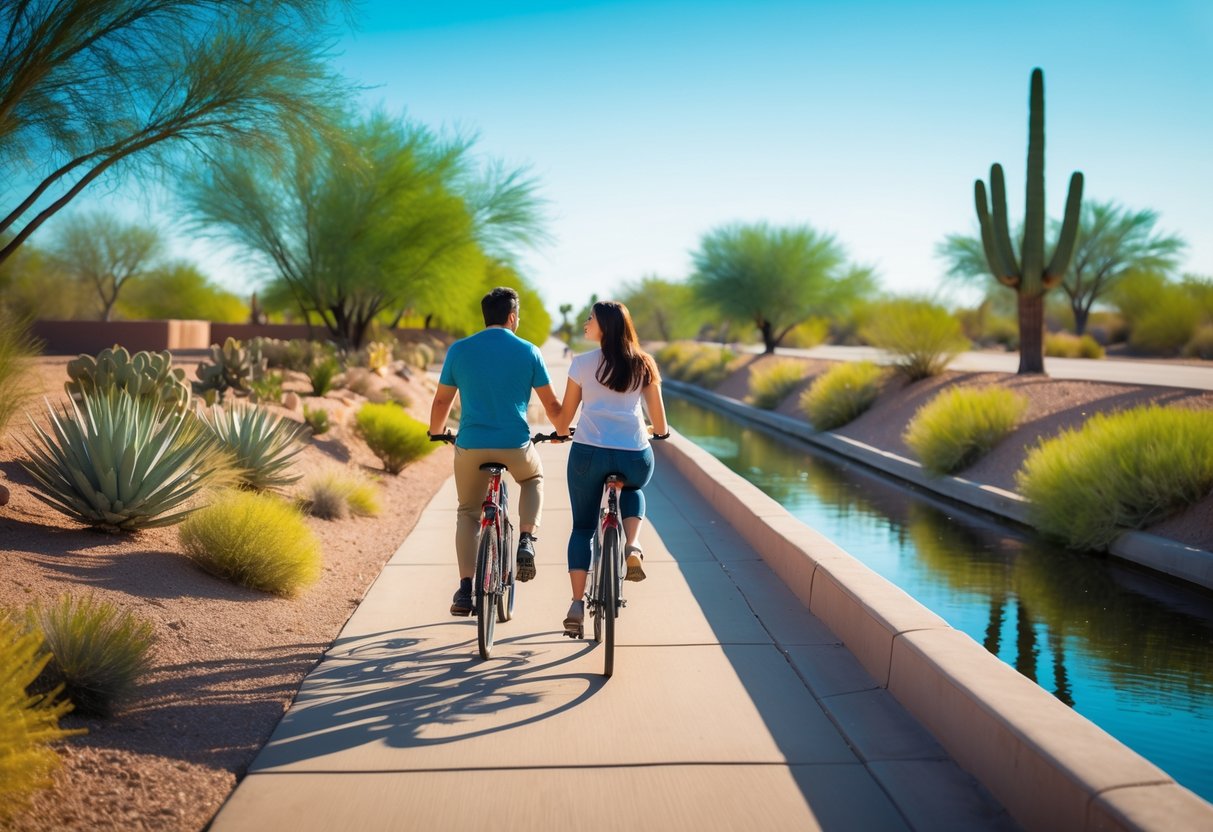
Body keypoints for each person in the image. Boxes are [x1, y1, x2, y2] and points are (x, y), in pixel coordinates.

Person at [428, 287, 562, 616]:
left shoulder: (459, 350)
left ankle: (463, 591)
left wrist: (436, 432)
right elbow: (553, 405)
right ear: (512, 317)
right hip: (515, 446)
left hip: (470, 445)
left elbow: (442, 401)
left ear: (485, 317)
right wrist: (561, 432)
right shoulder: (529, 351)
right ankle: (527, 540)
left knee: (468, 513)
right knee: (532, 479)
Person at [551, 300, 668, 635]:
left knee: (584, 528)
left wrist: (560, 430)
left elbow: (564, 419)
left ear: (603, 326)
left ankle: (576, 604)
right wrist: (654, 432)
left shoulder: (582, 363)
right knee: (633, 487)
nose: (586, 323)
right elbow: (659, 424)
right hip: (633, 454)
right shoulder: (644, 363)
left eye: (590, 319)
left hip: (589, 453)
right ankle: (632, 545)